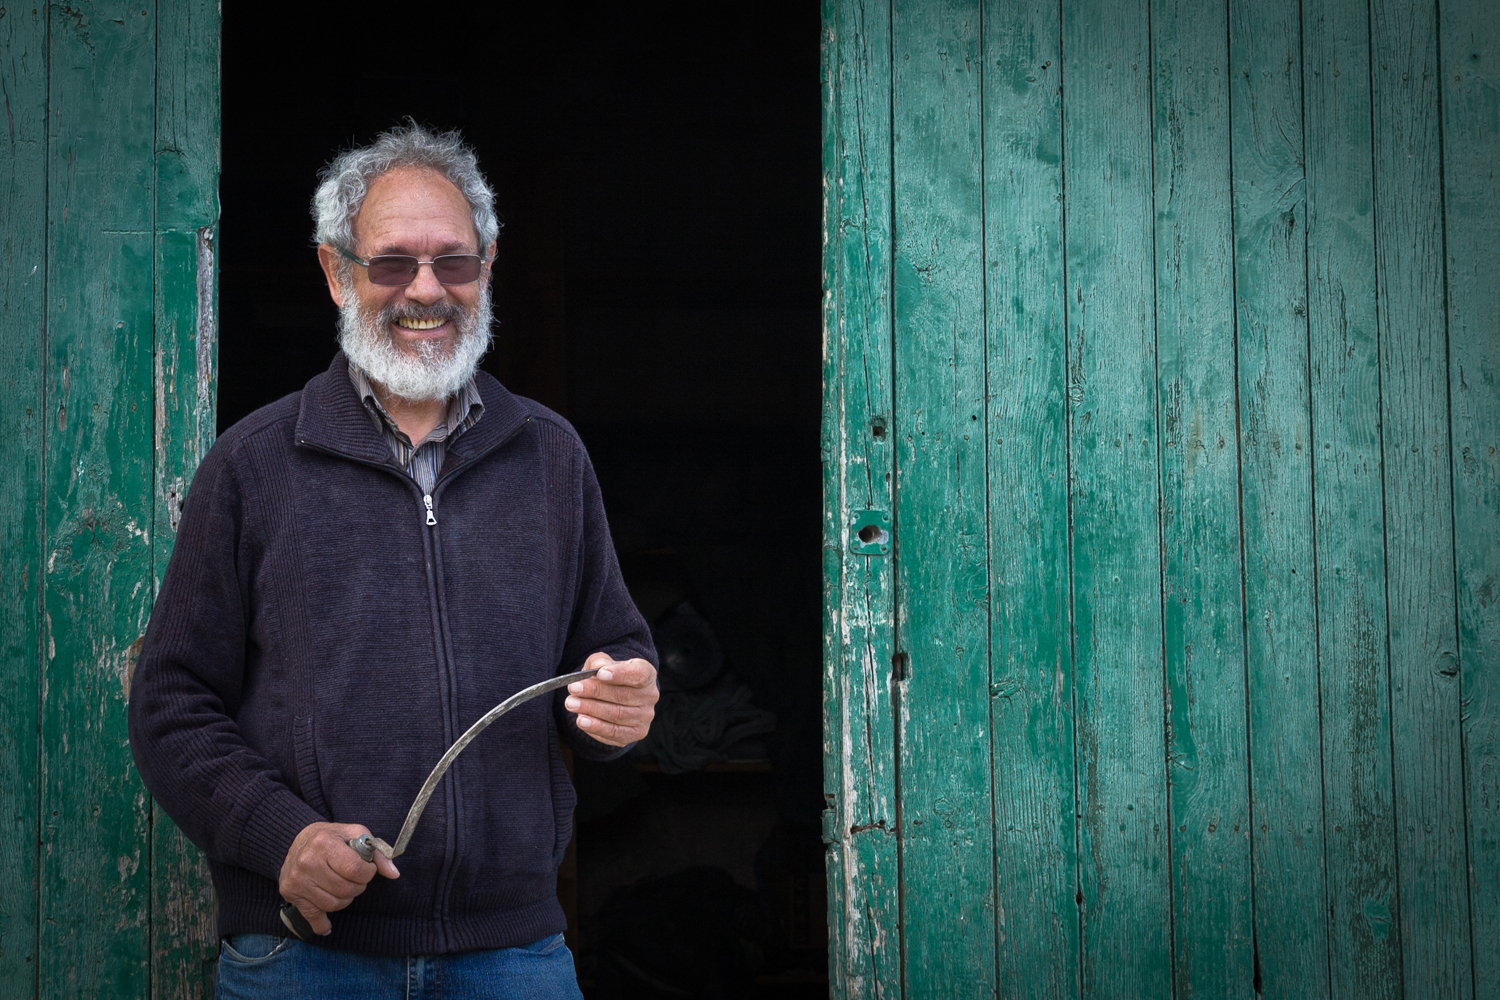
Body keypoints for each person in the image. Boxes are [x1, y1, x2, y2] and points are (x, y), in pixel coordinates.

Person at [128, 123, 659, 998]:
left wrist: (625, 705)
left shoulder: (551, 457)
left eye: (453, 262)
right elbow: (170, 704)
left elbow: (613, 659)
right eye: (391, 264)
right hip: (305, 956)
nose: (425, 290)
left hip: (512, 954)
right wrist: (283, 838)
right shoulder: (255, 465)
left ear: (487, 268)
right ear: (337, 274)